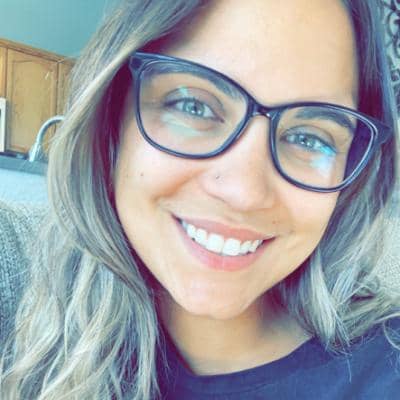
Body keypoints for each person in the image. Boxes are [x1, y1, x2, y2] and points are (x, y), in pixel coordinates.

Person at [1, 0, 400, 399]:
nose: (244, 194)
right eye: (193, 106)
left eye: (309, 138)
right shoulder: (39, 334)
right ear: (111, 118)